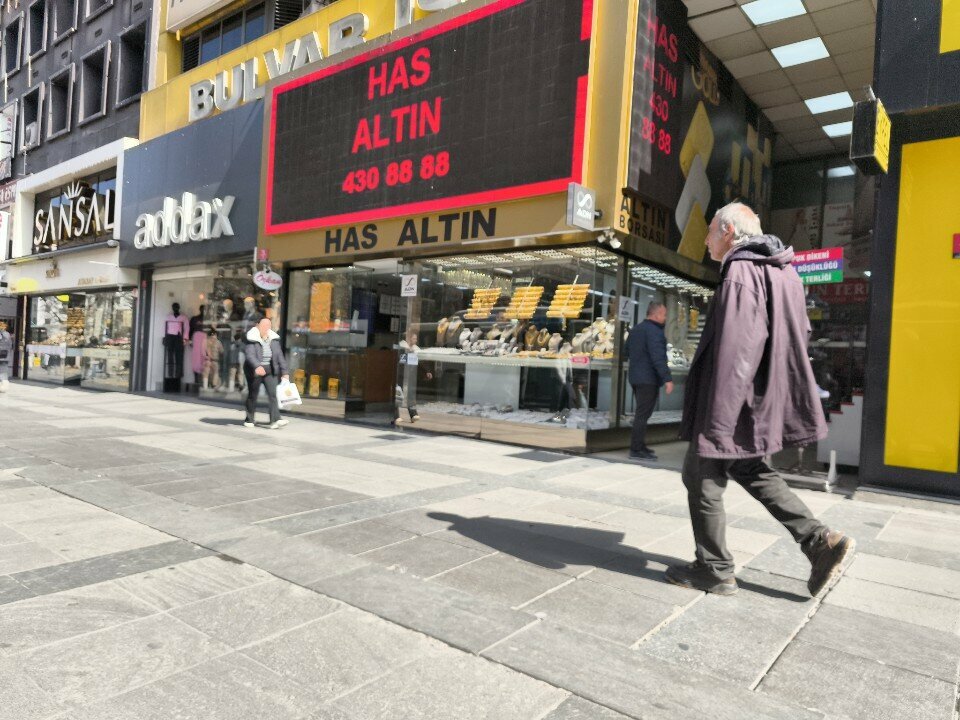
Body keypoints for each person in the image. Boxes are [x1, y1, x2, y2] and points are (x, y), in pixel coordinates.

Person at [668, 202, 854, 598]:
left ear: (730, 232)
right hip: (758, 397)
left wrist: (719, 418)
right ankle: (820, 541)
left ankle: (713, 569)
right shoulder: (784, 272)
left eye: (710, 231)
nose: (705, 239)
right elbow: (799, 332)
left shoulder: (740, 270)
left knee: (702, 477)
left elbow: (736, 349)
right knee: (749, 467)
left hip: (731, 400)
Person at [625, 301, 674, 460]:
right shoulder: (655, 332)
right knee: (642, 415)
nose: (665, 318)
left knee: (642, 414)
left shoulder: (636, 329)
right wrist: (667, 379)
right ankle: (636, 449)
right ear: (656, 314)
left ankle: (640, 445)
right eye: (664, 314)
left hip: (635, 377)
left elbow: (626, 351)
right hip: (648, 379)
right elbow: (658, 357)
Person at [243, 315, 289, 429]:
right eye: (264, 325)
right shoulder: (251, 338)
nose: (266, 327)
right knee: (252, 395)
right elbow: (250, 355)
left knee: (273, 395)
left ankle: (274, 420)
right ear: (257, 325)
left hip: (270, 370)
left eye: (268, 325)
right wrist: (257, 366)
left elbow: (279, 356)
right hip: (255, 371)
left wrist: (285, 372)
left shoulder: (273, 339)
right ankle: (249, 419)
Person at [0, 321, 13, 392]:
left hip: (1, 356)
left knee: (2, 371)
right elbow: (10, 345)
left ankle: (3, 386)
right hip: (6, 356)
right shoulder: (7, 334)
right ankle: (4, 385)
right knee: (3, 371)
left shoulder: (2, 334)